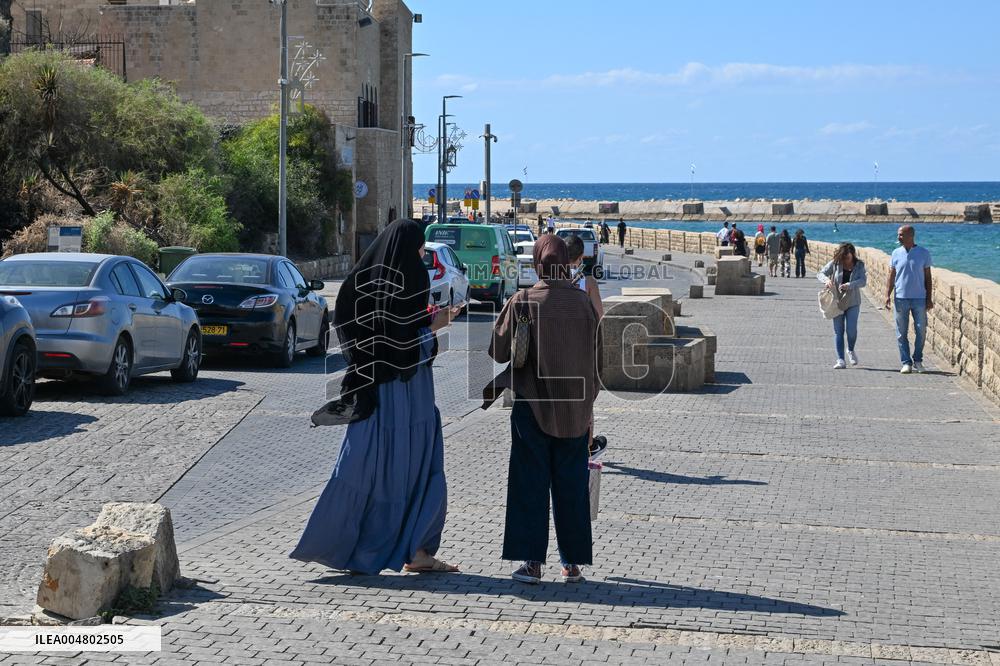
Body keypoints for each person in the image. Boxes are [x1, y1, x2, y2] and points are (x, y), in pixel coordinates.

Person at [293, 219, 462, 575]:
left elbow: (375, 333)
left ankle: (344, 545)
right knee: (415, 468)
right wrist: (437, 325)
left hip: (369, 389)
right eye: (419, 247)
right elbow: (405, 344)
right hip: (407, 393)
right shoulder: (411, 277)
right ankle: (416, 551)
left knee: (363, 468)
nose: (421, 255)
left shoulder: (359, 281)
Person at [483, 235, 600, 585]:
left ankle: (532, 564)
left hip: (532, 406)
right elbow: (598, 359)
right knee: (571, 486)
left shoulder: (524, 300)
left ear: (537, 264)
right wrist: (588, 408)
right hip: (575, 410)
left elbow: (498, 350)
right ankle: (572, 563)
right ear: (568, 263)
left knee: (530, 484)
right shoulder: (582, 304)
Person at [565, 235, 607, 459]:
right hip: (582, 349)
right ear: (582, 256)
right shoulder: (587, 282)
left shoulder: (552, 279)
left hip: (559, 348)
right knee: (586, 398)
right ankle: (588, 446)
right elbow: (599, 316)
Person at [884, 225, 933, 374]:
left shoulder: (923, 253)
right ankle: (906, 362)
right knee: (901, 332)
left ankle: (918, 360)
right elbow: (891, 275)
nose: (898, 237)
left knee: (921, 331)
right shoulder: (895, 253)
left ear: (910, 236)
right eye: (898, 235)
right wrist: (887, 294)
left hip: (919, 298)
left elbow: (928, 278)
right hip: (900, 298)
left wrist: (929, 298)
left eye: (900, 235)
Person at [818, 242, 867, 369]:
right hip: (837, 301)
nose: (845, 261)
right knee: (838, 331)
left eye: (848, 258)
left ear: (853, 255)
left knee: (851, 330)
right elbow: (821, 273)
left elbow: (863, 281)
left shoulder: (859, 265)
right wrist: (827, 280)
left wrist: (850, 285)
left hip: (853, 301)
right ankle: (840, 360)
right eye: (843, 258)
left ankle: (850, 350)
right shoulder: (835, 263)